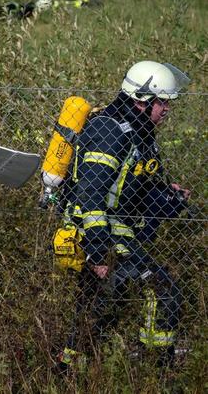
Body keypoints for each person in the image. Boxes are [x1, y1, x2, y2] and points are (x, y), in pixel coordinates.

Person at [58, 61, 192, 370]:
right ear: (141, 99)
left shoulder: (140, 132)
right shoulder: (110, 130)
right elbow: (90, 194)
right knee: (163, 290)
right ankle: (158, 369)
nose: (167, 109)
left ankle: (69, 368)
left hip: (115, 227)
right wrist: (97, 250)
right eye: (162, 102)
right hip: (98, 230)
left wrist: (167, 196)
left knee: (99, 305)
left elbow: (131, 190)